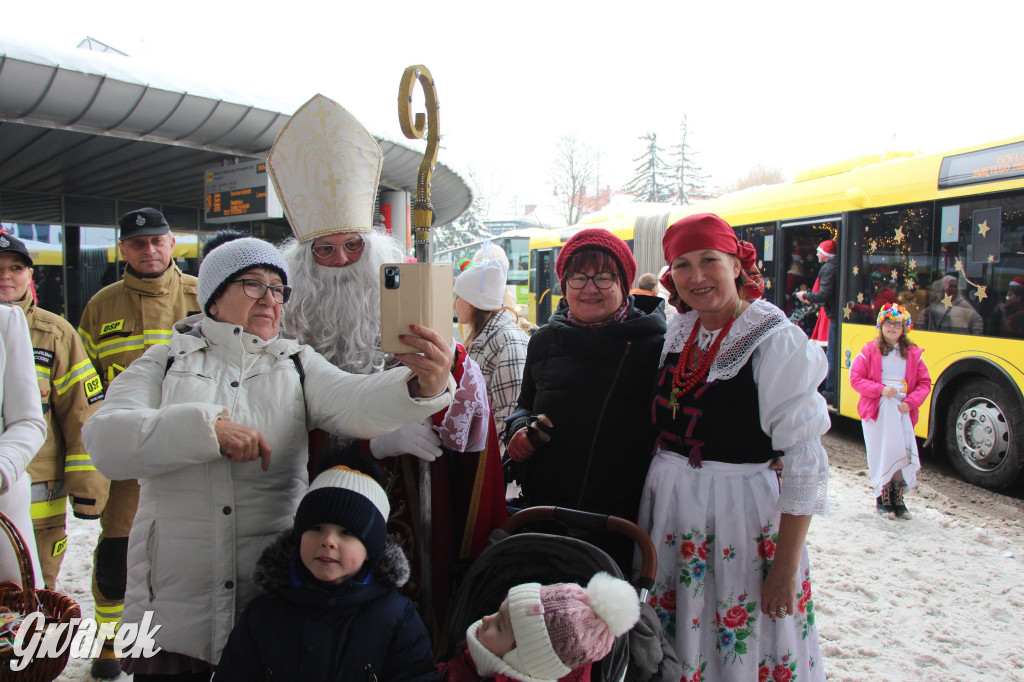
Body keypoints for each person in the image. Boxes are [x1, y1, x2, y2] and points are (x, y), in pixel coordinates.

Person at [81, 235, 455, 679]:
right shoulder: (162, 363)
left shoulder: (297, 365)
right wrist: (206, 429)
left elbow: (357, 402)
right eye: (254, 284)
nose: (271, 299)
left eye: (279, 289)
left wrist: (420, 387)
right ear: (214, 298)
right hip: (173, 608)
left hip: (270, 609)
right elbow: (105, 442)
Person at [270, 93, 507, 645]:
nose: (339, 264)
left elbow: (471, 417)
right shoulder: (281, 336)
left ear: (373, 249)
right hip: (318, 524)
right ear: (300, 265)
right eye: (322, 252)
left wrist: (443, 381)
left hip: (415, 513)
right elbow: (279, 428)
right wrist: (371, 441)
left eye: (351, 246)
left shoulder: (413, 320)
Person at [640, 213, 829, 680]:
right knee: (675, 635)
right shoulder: (680, 332)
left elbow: (804, 461)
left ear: (738, 265)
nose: (696, 276)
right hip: (670, 514)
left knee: (741, 631)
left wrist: (784, 568)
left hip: (738, 519)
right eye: (682, 265)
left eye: (710, 260)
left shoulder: (774, 340)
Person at [75, 207, 200, 679]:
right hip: (130, 460)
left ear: (172, 244)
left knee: (188, 552)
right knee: (117, 555)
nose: (149, 250)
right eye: (137, 243)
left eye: (157, 241)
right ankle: (111, 641)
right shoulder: (101, 305)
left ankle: (181, 643)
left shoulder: (203, 293)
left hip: (192, 451)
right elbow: (85, 392)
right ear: (122, 249)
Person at [503, 228, 666, 574]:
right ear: (563, 284)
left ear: (624, 283)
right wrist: (518, 430)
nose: (589, 288)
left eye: (604, 278)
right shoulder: (544, 340)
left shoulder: (656, 345)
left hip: (622, 522)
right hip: (545, 514)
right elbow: (524, 405)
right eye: (578, 277)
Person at [214, 464, 436, 681]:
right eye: (316, 528)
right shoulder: (264, 613)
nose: (328, 541)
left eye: (346, 532)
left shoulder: (396, 618)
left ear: (370, 550)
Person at [0, 233, 106, 590]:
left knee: (33, 591)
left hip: (39, 494)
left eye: (16, 267)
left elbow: (82, 412)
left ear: (30, 274)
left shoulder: (55, 333)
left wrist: (88, 488)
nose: (6, 276)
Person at [438, 572, 641, 682]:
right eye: (497, 612)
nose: (485, 618)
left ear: (519, 660)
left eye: (499, 626)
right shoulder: (475, 658)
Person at [849, 304, 931, 518]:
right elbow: (855, 379)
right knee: (882, 452)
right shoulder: (869, 352)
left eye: (897, 324)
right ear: (881, 325)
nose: (892, 328)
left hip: (902, 412)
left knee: (901, 451)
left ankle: (897, 496)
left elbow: (924, 383)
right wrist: (880, 389)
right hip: (877, 412)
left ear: (904, 328)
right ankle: (882, 495)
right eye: (888, 323)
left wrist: (911, 402)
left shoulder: (913, 354)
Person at [0, 299, 47, 587]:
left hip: (3, 507)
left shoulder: (5, 321)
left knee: (15, 622)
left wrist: (2, 467)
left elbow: (28, 421)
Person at [454, 258, 529, 426]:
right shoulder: (485, 337)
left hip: (492, 451)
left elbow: (510, 416)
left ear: (473, 302)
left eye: (458, 297)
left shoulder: (507, 341)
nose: (454, 304)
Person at [796, 238, 838, 404]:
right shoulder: (834, 266)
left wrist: (805, 295)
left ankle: (829, 391)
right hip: (833, 313)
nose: (817, 254)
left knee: (831, 354)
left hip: (832, 315)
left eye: (819, 250)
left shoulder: (828, 268)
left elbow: (823, 294)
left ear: (826, 254)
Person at [917, 274, 983, 334]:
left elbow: (977, 320)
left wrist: (974, 338)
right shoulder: (938, 302)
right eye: (950, 286)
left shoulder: (962, 303)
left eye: (955, 287)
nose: (953, 289)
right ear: (943, 288)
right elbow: (922, 318)